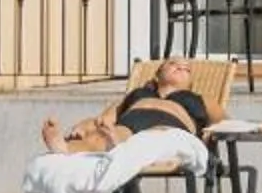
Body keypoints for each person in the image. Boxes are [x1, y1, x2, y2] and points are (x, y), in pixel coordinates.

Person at [43, 58, 211, 156]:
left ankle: (122, 153)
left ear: (191, 83)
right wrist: (83, 127)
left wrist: (210, 134)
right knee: (102, 137)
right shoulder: (138, 94)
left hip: (172, 126)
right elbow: (102, 121)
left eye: (186, 69)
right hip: (131, 124)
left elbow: (225, 123)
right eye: (172, 63)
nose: (180, 66)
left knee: (154, 138)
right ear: (157, 76)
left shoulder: (198, 98)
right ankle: (64, 149)